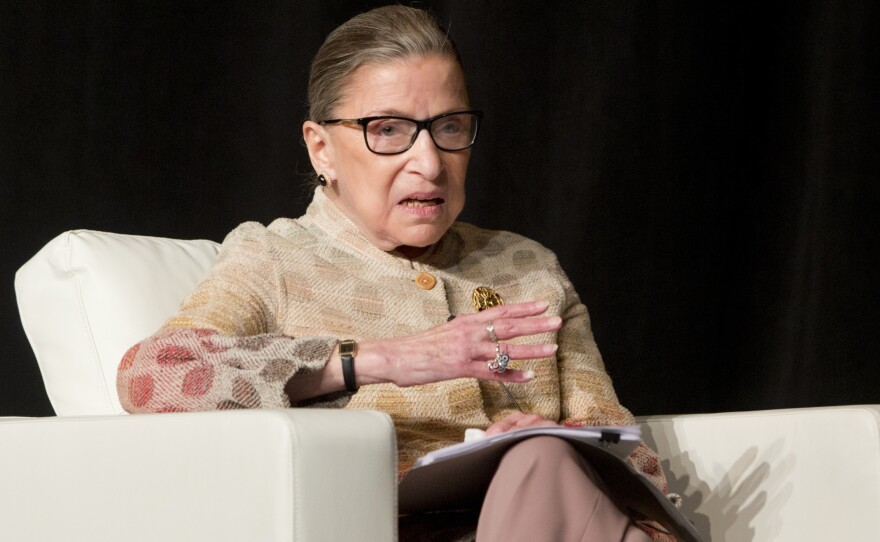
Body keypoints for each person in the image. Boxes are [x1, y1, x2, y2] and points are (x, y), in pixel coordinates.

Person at [117, 6, 677, 541]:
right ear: (321, 150)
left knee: (542, 459)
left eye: (450, 127)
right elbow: (152, 376)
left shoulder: (529, 268)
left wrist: (542, 446)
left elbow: (617, 442)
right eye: (388, 130)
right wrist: (378, 361)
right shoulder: (275, 258)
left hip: (555, 517)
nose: (430, 163)